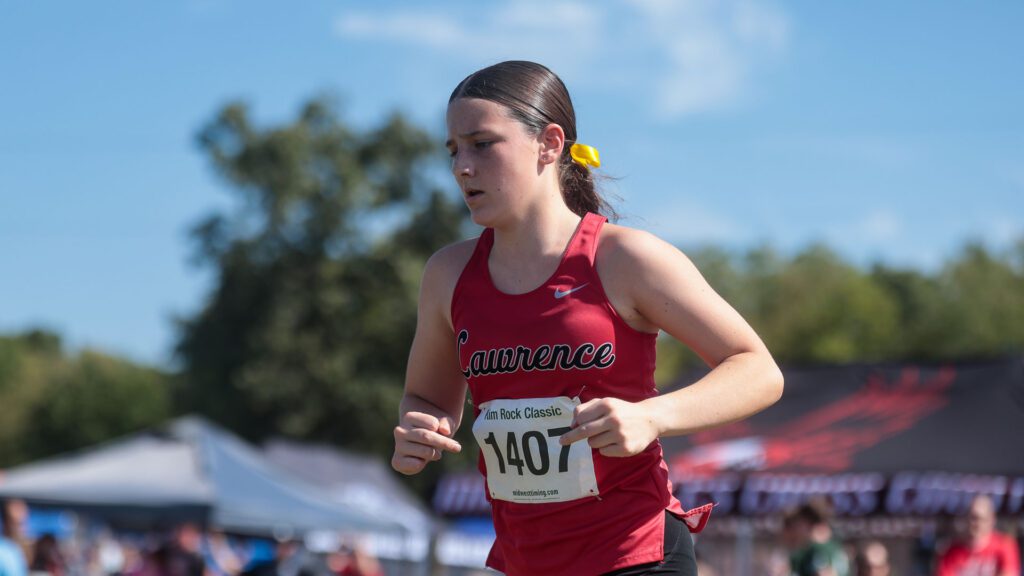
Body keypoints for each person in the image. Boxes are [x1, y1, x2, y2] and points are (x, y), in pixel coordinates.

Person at [391, 60, 784, 575]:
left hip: (636, 554)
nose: (462, 166)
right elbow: (426, 399)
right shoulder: (448, 273)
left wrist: (652, 416)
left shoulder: (626, 259)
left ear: (549, 144)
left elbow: (757, 369)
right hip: (525, 561)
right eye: (453, 150)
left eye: (482, 144)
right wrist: (418, 429)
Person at [935, 494, 1020, 576]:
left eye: (982, 519)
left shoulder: (1005, 545)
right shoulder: (950, 551)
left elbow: (1009, 572)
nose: (977, 524)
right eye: (973, 518)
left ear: (992, 520)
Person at [781, 501, 850, 576]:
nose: (795, 530)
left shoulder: (815, 551)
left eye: (797, 524)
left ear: (807, 524)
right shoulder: (836, 548)